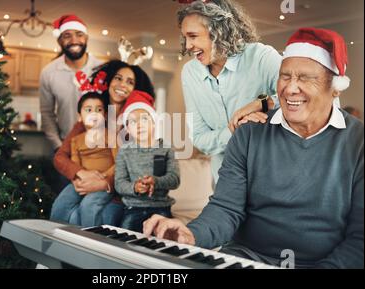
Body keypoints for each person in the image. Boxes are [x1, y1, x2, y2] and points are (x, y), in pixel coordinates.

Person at [143, 27, 364, 269]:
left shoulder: (358, 142)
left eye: (305, 78)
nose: (290, 88)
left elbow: (359, 239)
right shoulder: (249, 132)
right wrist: (191, 234)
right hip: (245, 259)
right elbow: (226, 208)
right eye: (285, 76)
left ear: (335, 87)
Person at [178, 0, 282, 182]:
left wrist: (261, 103)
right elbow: (198, 137)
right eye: (185, 37)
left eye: (193, 36)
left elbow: (300, 96)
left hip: (271, 178)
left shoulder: (261, 57)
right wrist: (235, 130)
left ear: (219, 30)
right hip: (225, 183)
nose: (187, 46)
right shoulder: (190, 73)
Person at [52, 60, 156, 226]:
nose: (122, 85)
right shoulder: (92, 116)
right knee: (63, 207)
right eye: (118, 78)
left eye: (130, 82)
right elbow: (60, 157)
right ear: (109, 81)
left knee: (83, 213)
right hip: (85, 182)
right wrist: (80, 173)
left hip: (119, 196)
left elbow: (135, 167)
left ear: (135, 90)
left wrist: (103, 183)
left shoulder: (135, 122)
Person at [115, 91, 180, 232]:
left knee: (164, 240)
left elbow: (174, 179)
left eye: (144, 119)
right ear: (127, 128)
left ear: (154, 122)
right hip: (133, 208)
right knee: (126, 242)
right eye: (133, 121)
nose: (139, 125)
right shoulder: (124, 151)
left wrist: (155, 181)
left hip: (160, 208)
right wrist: (135, 188)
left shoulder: (166, 148)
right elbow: (119, 183)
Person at [40, 14, 102, 152]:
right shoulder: (49, 72)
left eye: (79, 34)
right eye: (67, 35)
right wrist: (58, 146)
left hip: (100, 146)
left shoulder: (102, 69)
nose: (74, 40)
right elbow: (46, 113)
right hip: (66, 146)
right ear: (60, 41)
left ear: (86, 38)